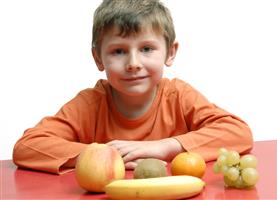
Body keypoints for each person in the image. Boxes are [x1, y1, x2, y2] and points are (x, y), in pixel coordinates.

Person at [13, 0, 253, 174]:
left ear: (170, 52)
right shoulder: (90, 104)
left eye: (147, 49)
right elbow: (27, 146)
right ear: (98, 58)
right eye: (118, 51)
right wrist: (100, 158)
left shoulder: (178, 96)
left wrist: (164, 147)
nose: (133, 64)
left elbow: (238, 133)